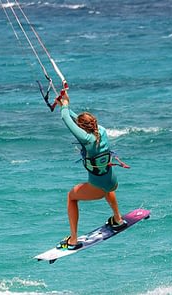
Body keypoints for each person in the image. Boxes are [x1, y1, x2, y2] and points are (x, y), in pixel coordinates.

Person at [57, 90, 127, 250]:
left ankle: (73, 240)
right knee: (107, 185)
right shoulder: (101, 130)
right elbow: (75, 120)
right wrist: (64, 105)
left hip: (98, 188)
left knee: (71, 196)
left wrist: (65, 107)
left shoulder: (87, 139)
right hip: (112, 182)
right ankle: (118, 219)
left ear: (83, 129)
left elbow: (66, 120)